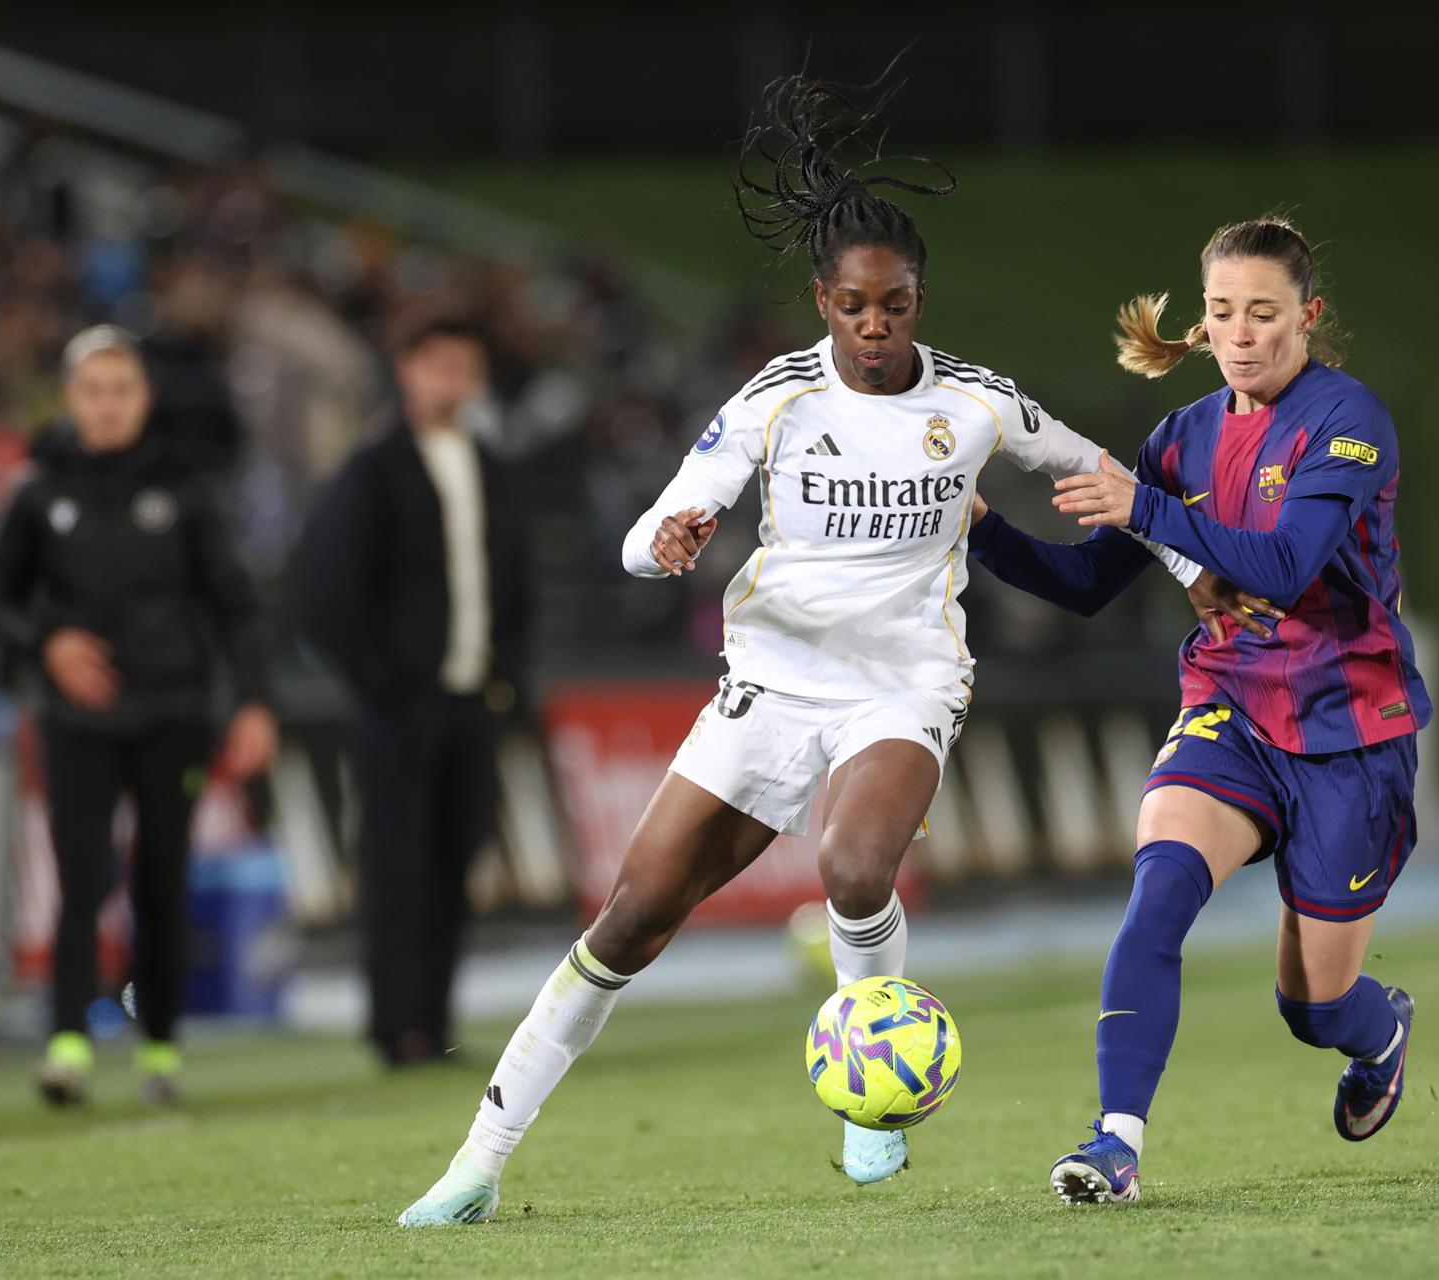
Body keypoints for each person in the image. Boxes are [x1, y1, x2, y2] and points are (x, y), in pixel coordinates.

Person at [397, 68, 1248, 1227]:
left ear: (919, 297)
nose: (876, 325)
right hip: (772, 684)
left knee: (853, 865)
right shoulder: (774, 399)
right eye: (854, 305)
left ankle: (867, 1085)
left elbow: (1103, 471)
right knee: (629, 919)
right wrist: (671, 538)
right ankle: (479, 1163)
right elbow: (653, 531)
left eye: (895, 303)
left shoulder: (979, 404)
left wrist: (1192, 563)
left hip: (904, 681)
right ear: (822, 299)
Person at [965, 217, 1429, 1204]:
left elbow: (1285, 563)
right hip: (1231, 698)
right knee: (1162, 885)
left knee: (1312, 1003)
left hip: (1351, 731)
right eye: (1222, 313)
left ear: (1306, 317)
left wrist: (1146, 508)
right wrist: (980, 531)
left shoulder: (1347, 420)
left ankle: (1380, 1031)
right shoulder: (1182, 438)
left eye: (1264, 313)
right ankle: (1115, 1142)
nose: (1241, 334)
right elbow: (1089, 582)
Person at [0, 325, 278, 1106]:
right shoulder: (40, 489)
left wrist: (252, 701)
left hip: (174, 710)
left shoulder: (183, 486)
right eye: (92, 391)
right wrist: (50, 643)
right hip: (77, 718)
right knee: (80, 881)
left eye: (122, 390)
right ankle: (68, 1043)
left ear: (143, 398)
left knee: (159, 880)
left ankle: (160, 1049)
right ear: (70, 398)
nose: (107, 406)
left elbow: (234, 605)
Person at [292, 319, 529, 1068]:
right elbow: (321, 591)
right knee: (397, 865)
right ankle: (396, 1027)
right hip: (399, 710)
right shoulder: (373, 469)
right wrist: (383, 681)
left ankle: (434, 1015)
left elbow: (516, 587)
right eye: (438, 367)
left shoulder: (491, 466)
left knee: (455, 858)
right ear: (407, 371)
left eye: (466, 368)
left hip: (471, 702)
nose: (451, 383)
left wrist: (508, 677)